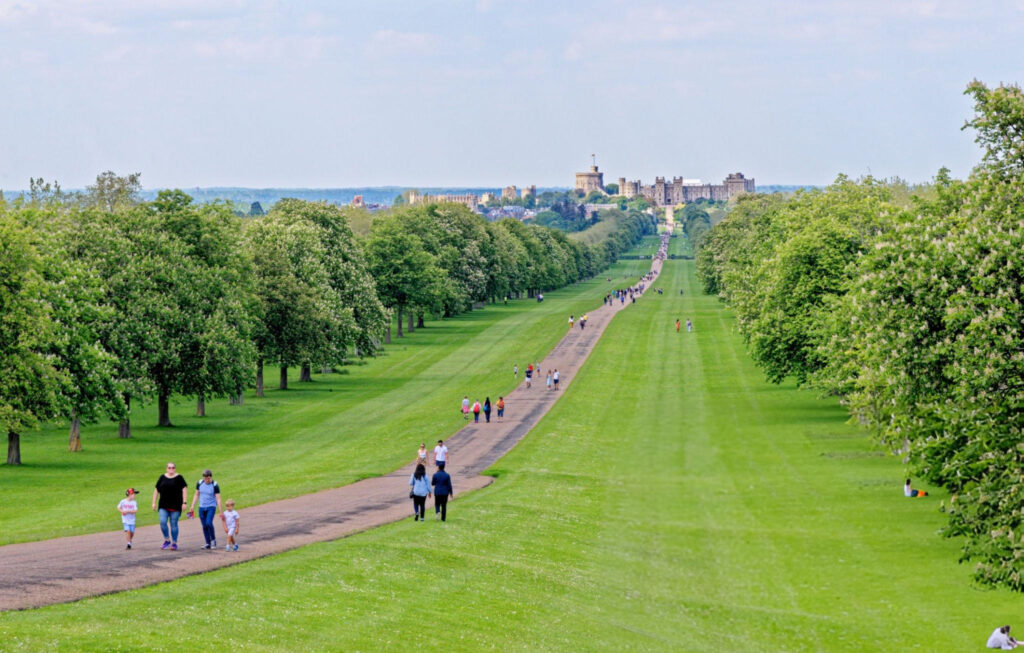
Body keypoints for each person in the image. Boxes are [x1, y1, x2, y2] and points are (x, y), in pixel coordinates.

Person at [152, 462, 188, 551]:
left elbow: (184, 489)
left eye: (173, 468)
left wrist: (184, 502)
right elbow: (156, 490)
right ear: (166, 468)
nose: (171, 469)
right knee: (163, 522)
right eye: (169, 468)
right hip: (163, 504)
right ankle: (167, 540)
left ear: (175, 468)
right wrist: (154, 502)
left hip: (176, 505)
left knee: (173, 524)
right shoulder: (162, 477)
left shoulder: (179, 478)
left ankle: (174, 542)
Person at [189, 469, 223, 550]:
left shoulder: (214, 485)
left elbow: (218, 498)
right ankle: (208, 543)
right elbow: (196, 494)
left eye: (209, 478)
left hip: (211, 507)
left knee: (208, 523)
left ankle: (213, 540)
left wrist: (220, 510)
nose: (207, 480)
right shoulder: (200, 483)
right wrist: (192, 505)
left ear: (211, 477)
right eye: (206, 478)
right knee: (204, 525)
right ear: (203, 477)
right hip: (201, 507)